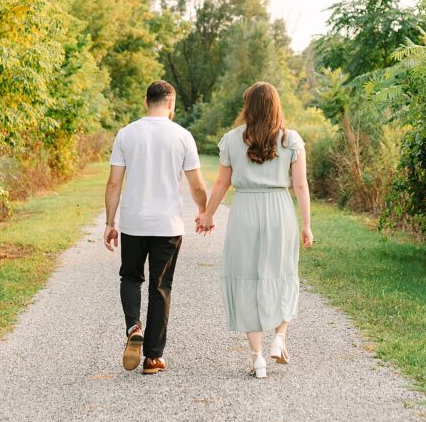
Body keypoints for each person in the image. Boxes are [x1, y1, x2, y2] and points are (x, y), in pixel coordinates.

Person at [196, 81, 313, 379]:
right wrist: (307, 225)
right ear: (276, 105)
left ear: (248, 106)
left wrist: (208, 214)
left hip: (245, 211)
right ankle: (280, 337)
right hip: (279, 210)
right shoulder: (291, 140)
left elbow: (222, 183)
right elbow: (300, 186)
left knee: (247, 278)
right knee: (283, 272)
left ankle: (257, 358)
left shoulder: (233, 140)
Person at [103, 80, 210, 375]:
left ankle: (133, 325)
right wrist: (204, 211)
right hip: (168, 225)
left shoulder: (126, 134)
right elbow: (197, 184)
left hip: (134, 222)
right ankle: (153, 357)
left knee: (130, 276)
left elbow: (114, 183)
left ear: (145, 101)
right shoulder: (182, 136)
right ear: (171, 104)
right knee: (160, 287)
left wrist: (110, 222)